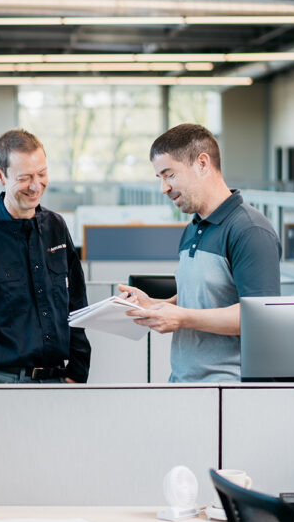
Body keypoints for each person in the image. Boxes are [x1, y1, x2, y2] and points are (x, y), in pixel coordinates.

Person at [117, 123, 281, 382]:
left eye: (169, 175)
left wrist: (181, 318)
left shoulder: (250, 230)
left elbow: (258, 317)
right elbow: (204, 298)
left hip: (226, 391)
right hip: (185, 382)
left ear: (202, 163)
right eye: (160, 178)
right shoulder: (194, 227)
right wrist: (157, 305)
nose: (164, 188)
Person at [0, 129, 91, 384]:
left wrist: (78, 371)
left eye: (42, 174)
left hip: (58, 381)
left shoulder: (56, 227)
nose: (36, 186)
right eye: (25, 178)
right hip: (0, 385)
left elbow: (76, 305)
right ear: (0, 176)